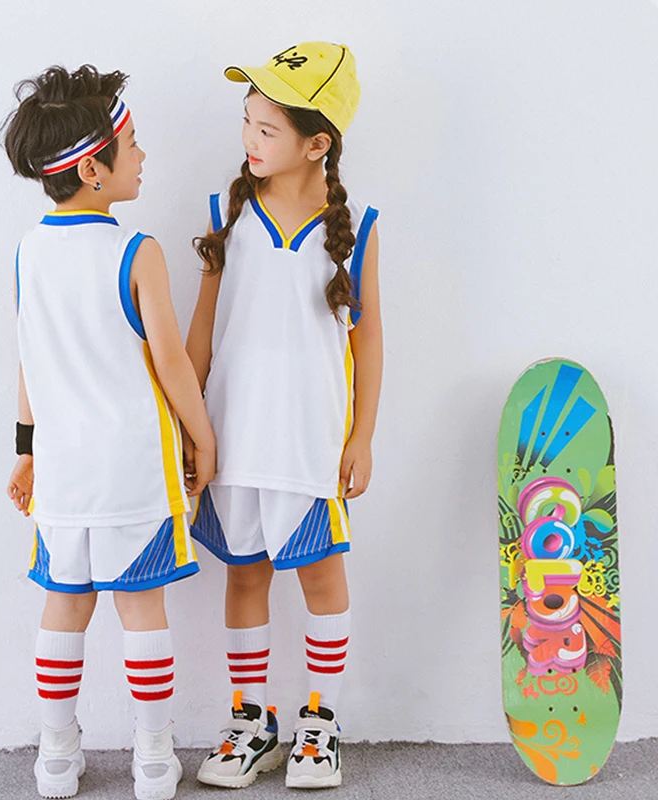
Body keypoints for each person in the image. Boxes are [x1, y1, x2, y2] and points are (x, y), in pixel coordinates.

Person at [1, 64, 215, 800]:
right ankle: (152, 757)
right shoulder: (137, 251)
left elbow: (29, 361)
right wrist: (202, 436)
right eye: (133, 144)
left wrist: (25, 451)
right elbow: (172, 364)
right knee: (141, 609)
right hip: (134, 468)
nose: (144, 155)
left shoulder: (29, 251)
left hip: (63, 471)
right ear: (93, 169)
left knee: (64, 605)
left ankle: (56, 754)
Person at [185, 42, 382, 789]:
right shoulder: (225, 214)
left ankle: (321, 723)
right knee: (245, 577)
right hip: (234, 439)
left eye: (266, 129)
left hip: (309, 444)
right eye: (247, 122)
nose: (249, 139)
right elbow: (201, 331)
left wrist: (362, 436)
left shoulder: (356, 226)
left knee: (322, 577)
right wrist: (187, 425)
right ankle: (252, 722)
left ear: (317, 143)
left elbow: (369, 339)